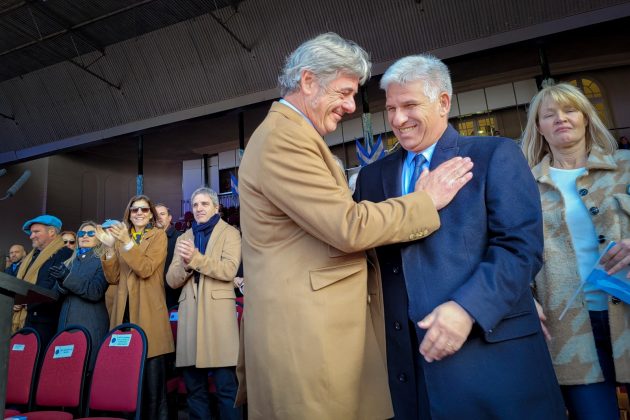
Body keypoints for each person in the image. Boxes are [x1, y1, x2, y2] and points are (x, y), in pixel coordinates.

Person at [236, 33, 473, 419]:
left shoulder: (291, 134)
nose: (350, 106)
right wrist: (425, 201)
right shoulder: (285, 139)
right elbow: (348, 227)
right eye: (344, 92)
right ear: (309, 81)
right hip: (309, 340)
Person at [354, 54, 566, 419]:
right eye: (390, 108)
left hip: (488, 358)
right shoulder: (373, 178)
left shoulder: (495, 154)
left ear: (443, 102)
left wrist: (469, 307)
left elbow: (520, 248)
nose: (398, 120)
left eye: (409, 105)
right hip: (408, 369)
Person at [521, 82, 630, 419]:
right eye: (549, 115)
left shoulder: (625, 165)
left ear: (585, 117)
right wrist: (525, 300)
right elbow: (513, 250)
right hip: (569, 330)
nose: (561, 119)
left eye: (570, 110)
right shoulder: (524, 185)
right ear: (538, 127)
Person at [166, 187, 242, 420]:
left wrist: (196, 259)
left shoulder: (230, 233)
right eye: (195, 204)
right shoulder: (183, 237)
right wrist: (187, 266)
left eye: (204, 204)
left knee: (226, 388)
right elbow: (171, 280)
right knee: (194, 390)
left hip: (218, 316)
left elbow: (229, 270)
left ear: (216, 207)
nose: (199, 208)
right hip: (190, 315)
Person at [98, 195, 174, 420]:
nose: (139, 213)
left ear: (151, 214)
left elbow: (146, 268)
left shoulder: (158, 236)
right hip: (125, 315)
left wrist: (127, 243)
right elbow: (112, 277)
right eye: (134, 210)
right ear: (128, 214)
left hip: (149, 315)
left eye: (143, 210)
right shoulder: (121, 239)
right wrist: (110, 249)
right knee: (125, 384)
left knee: (153, 390)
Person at [52, 221, 109, 370]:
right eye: (81, 234)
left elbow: (95, 291)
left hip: (89, 325)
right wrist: (61, 281)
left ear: (99, 237)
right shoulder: (69, 262)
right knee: (64, 372)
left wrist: (67, 278)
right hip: (65, 325)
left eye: (91, 233)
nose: (85, 236)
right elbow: (56, 294)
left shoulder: (103, 260)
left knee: (84, 372)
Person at [13, 215, 73, 352]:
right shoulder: (32, 257)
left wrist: (23, 299)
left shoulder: (64, 254)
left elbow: (51, 287)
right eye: (31, 232)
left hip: (44, 323)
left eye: (36, 232)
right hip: (26, 318)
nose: (31, 236)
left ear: (51, 232)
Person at [155, 203, 182, 309]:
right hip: (154, 293)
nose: (159, 217)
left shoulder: (180, 238)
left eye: (162, 214)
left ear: (169, 218)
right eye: (156, 215)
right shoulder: (148, 239)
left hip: (172, 295)